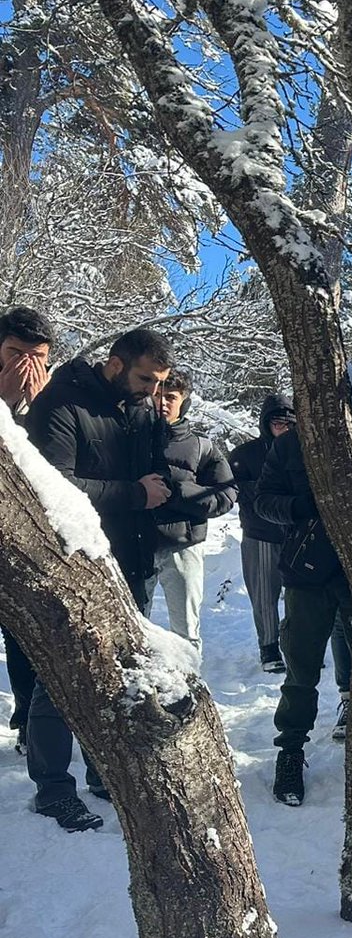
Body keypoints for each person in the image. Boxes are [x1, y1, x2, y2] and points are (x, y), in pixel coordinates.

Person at [25, 327, 174, 831]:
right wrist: (135, 493)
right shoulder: (61, 403)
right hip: (76, 561)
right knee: (61, 675)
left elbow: (155, 474)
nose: (153, 391)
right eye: (145, 379)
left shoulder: (139, 409)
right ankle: (51, 787)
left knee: (118, 674)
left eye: (159, 383)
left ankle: (102, 771)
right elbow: (52, 487)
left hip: (132, 561)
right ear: (114, 363)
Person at [254, 419, 352, 805]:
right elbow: (264, 499)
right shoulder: (291, 443)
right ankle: (291, 752)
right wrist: (301, 506)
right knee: (301, 669)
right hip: (306, 570)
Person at [146, 369, 235, 654]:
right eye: (157, 394)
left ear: (183, 402)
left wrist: (182, 491)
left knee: (186, 631)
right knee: (130, 625)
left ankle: (191, 689)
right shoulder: (126, 437)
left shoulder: (202, 446)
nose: (162, 402)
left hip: (182, 546)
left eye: (170, 397)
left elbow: (227, 494)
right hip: (134, 543)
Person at [0, 306, 55, 753]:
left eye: (36, 358)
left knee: (24, 639)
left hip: (20, 541)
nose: (25, 368)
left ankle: (25, 718)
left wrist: (38, 409)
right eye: (16, 353)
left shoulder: (53, 402)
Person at [229, 393, 295, 672]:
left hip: (296, 533)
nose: (283, 428)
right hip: (260, 533)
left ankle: (294, 645)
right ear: (265, 423)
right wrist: (267, 492)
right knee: (264, 594)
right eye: (277, 422)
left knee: (297, 596)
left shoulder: (303, 450)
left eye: (289, 423)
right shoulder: (245, 454)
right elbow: (234, 490)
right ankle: (269, 647)